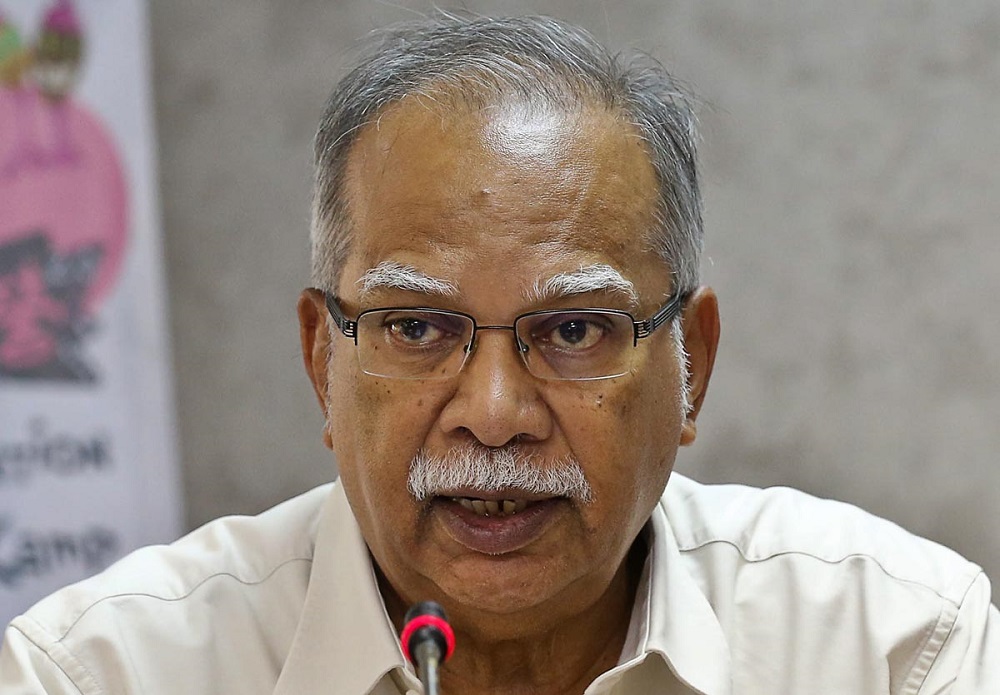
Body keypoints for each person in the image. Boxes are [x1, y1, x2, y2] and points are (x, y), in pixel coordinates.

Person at [1, 13, 997, 695]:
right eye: (416, 328)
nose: (492, 410)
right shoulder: (105, 670)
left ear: (690, 364)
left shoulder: (892, 645)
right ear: (322, 363)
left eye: (572, 331)